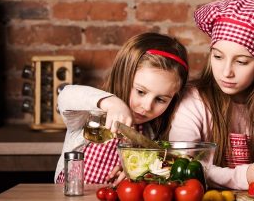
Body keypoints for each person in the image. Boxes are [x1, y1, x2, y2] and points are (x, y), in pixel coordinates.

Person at [169, 0, 254, 189]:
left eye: (241, 61)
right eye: (218, 56)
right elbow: (182, 163)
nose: (226, 71)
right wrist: (242, 176)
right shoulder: (193, 101)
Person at [54, 32, 189, 184]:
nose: (147, 106)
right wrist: (112, 103)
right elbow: (65, 95)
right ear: (122, 77)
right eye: (140, 91)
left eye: (160, 99)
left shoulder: (151, 135)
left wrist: (138, 171)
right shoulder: (90, 114)